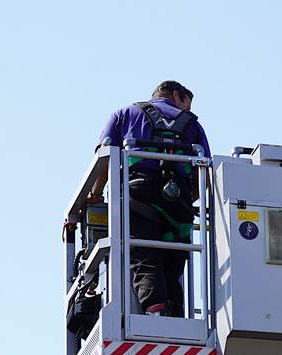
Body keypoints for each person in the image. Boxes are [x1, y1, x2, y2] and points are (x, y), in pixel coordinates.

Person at [89, 81, 211, 317]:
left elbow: (105, 161)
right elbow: (203, 173)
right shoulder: (193, 124)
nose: (185, 110)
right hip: (179, 204)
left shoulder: (124, 114)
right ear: (177, 95)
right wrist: (190, 200)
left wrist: (94, 195)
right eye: (186, 104)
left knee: (145, 253)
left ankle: (156, 310)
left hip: (140, 196)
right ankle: (176, 315)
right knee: (173, 260)